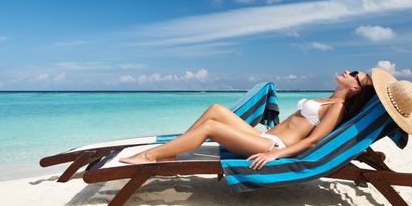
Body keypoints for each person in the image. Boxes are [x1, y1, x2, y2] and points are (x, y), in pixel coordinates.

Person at [119, 69, 375, 170]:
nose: (348, 71)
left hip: (272, 146)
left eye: (354, 75)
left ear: (354, 89)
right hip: (263, 137)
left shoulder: (337, 107)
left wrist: (276, 155)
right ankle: (174, 150)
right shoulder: (327, 99)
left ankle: (151, 156)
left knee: (211, 127)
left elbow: (314, 141)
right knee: (216, 109)